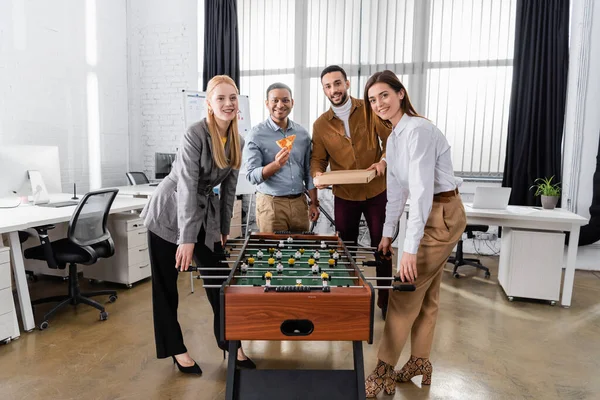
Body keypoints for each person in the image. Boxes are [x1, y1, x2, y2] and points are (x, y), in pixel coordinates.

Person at [140, 75, 256, 375]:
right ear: (209, 104)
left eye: (233, 98)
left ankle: (231, 344)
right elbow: (189, 186)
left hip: (203, 212)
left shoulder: (238, 141)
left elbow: (230, 189)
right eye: (221, 99)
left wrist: (223, 227)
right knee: (166, 286)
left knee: (220, 282)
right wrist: (186, 239)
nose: (228, 104)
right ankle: (175, 349)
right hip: (169, 212)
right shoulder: (195, 134)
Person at [362, 70, 466, 397]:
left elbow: (420, 192)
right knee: (428, 294)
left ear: (401, 93)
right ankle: (420, 360)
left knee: (405, 290)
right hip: (432, 213)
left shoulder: (417, 131)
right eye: (372, 99)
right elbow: (396, 192)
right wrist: (387, 233)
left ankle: (383, 370)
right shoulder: (394, 138)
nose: (378, 103)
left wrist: (409, 250)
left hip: (442, 212)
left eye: (384, 95)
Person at [310, 65, 392, 318]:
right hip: (344, 195)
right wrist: (317, 176)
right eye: (328, 86)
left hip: (377, 191)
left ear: (347, 83)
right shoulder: (321, 124)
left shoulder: (370, 108)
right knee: (346, 248)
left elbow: (392, 140)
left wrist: (384, 161)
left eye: (337, 83)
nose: (333, 89)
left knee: (383, 246)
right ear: (324, 89)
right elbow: (317, 160)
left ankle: (386, 301)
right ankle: (348, 297)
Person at [243, 82, 319, 232]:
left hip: (299, 203)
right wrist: (275, 165)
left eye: (285, 100)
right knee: (272, 252)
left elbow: (309, 171)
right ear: (267, 103)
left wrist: (314, 202)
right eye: (275, 100)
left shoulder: (302, 134)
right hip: (271, 204)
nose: (280, 105)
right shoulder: (256, 134)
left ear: (292, 102)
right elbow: (251, 176)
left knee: (301, 250)